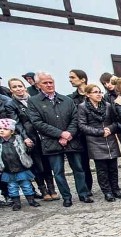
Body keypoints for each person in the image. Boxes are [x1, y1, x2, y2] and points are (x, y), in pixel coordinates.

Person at [27, 72, 92, 207]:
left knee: (79, 169)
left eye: (51, 82)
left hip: (71, 140)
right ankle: (66, 197)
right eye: (45, 83)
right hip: (52, 142)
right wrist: (60, 134)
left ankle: (83, 194)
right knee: (58, 172)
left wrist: (69, 134)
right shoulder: (34, 102)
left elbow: (75, 118)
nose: (49, 85)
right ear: (38, 85)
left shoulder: (66, 100)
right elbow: (37, 123)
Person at [8, 77, 58, 201]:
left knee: (47, 163)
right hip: (28, 137)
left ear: (24, 87)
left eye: (20, 86)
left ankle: (52, 189)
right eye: (14, 87)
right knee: (36, 165)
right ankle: (43, 189)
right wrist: (25, 137)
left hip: (42, 135)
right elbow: (17, 123)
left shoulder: (34, 100)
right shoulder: (11, 104)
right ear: (11, 90)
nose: (18, 89)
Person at [77, 83, 121, 201]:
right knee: (102, 169)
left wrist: (110, 129)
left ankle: (115, 189)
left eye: (100, 92)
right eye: (95, 92)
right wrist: (99, 132)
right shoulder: (83, 107)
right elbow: (82, 125)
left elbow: (115, 122)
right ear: (88, 94)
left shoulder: (107, 105)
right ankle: (107, 192)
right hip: (95, 141)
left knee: (113, 167)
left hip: (110, 139)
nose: (99, 94)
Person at [0, 118, 40, 210]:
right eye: (0, 129)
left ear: (12, 131)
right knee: (12, 187)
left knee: (26, 185)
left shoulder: (18, 140)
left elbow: (27, 151)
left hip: (21, 168)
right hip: (8, 170)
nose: (2, 130)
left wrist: (29, 145)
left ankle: (31, 200)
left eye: (5, 129)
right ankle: (16, 203)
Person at [68, 69, 94, 196]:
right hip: (80, 136)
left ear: (82, 79)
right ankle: (86, 188)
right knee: (83, 164)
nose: (70, 80)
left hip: (96, 134)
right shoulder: (70, 99)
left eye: (73, 77)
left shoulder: (95, 93)